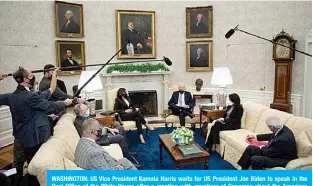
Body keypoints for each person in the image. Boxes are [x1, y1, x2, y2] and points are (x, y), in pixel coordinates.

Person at [6, 67, 73, 186]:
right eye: (31, 75)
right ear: (26, 79)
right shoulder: (31, 96)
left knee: (17, 166)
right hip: (31, 140)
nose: (33, 77)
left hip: (18, 138)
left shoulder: (12, 96)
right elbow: (50, 106)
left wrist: (54, 74)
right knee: (34, 167)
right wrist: (65, 103)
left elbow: (51, 90)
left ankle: (12, 181)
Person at [73, 103, 139, 167]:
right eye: (86, 109)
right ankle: (130, 159)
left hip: (103, 132)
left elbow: (99, 125)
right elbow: (87, 136)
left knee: (120, 128)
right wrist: (101, 133)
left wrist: (109, 129)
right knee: (120, 138)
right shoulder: (78, 123)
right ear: (81, 113)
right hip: (99, 138)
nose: (88, 109)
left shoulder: (88, 117)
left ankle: (127, 151)